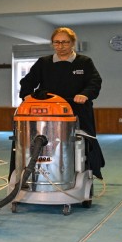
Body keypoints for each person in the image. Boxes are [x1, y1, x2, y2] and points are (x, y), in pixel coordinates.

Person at [18, 27, 105, 179]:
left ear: (72, 43)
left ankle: (84, 173)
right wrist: (26, 95)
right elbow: (28, 81)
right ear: (52, 44)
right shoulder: (44, 63)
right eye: (57, 42)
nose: (60, 46)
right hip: (49, 113)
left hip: (77, 110)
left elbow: (94, 82)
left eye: (65, 42)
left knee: (83, 144)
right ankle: (43, 174)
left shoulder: (84, 62)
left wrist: (84, 95)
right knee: (46, 144)